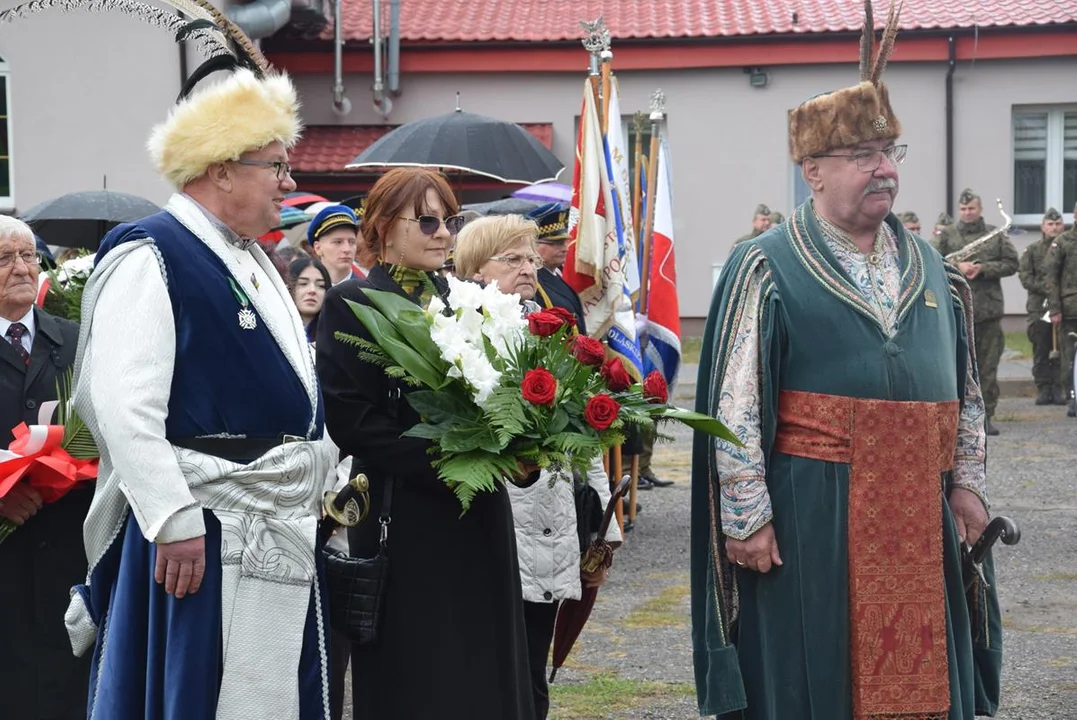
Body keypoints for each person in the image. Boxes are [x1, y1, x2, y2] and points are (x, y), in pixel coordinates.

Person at [690, 4, 1002, 718]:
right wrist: (745, 517)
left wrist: (967, 486)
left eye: (890, 154)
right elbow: (734, 403)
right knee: (818, 677)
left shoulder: (932, 269)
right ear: (811, 171)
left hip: (919, 512)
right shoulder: (765, 266)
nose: (885, 170)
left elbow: (967, 393)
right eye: (863, 156)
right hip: (813, 513)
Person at [66, 68, 337, 718]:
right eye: (276, 165)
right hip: (201, 533)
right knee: (195, 693)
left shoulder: (245, 255)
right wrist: (173, 519)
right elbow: (123, 405)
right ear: (221, 170)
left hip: (269, 523)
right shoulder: (151, 254)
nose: (289, 183)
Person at [316, 167, 535, 720]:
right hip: (403, 508)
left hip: (478, 504)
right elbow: (352, 420)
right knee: (416, 666)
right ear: (385, 228)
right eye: (429, 220)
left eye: (451, 220)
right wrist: (453, 462)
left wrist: (518, 448)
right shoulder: (353, 302)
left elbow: (501, 389)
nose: (443, 233)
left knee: (482, 659)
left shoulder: (464, 296)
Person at [455, 213, 622, 719]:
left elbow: (585, 440)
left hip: (552, 519)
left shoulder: (552, 334)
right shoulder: (460, 332)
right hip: (493, 516)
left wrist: (604, 529)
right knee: (485, 668)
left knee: (533, 664)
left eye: (531, 257)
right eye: (513, 258)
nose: (530, 267)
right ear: (475, 269)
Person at [0, 216, 88, 720]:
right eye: (5, 258)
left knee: (67, 685)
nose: (21, 268)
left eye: (28, 255)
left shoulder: (75, 340)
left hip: (69, 545)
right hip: (6, 555)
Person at [935, 189, 1018, 435]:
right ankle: (958, 417)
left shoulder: (995, 234)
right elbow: (931, 259)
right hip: (955, 311)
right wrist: (956, 266)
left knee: (987, 367)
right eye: (963, 209)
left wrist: (983, 268)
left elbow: (1013, 263)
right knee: (956, 367)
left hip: (988, 311)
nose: (967, 213)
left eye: (971, 208)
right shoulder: (947, 234)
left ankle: (987, 416)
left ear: (980, 209)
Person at [1018, 208, 1066, 406]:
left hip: (1062, 305)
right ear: (1043, 227)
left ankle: (1058, 387)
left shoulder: (1067, 247)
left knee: (1061, 349)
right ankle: (1043, 387)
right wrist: (1047, 288)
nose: (1054, 228)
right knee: (1041, 348)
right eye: (1050, 224)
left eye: (1057, 224)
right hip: (1039, 307)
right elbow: (1025, 276)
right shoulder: (1033, 250)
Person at [1045, 199, 1077, 417]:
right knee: (1070, 356)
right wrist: (1055, 309)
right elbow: (1051, 278)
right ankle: (1073, 397)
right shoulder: (1063, 242)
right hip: (1071, 308)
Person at [309, 204, 360, 285]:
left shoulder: (368, 293)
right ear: (318, 248)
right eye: (338, 242)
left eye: (352, 242)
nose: (347, 249)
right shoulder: (304, 291)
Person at [288, 257, 331, 343]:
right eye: (303, 283)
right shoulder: (272, 329)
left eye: (320, 285)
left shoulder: (333, 336)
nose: (312, 290)